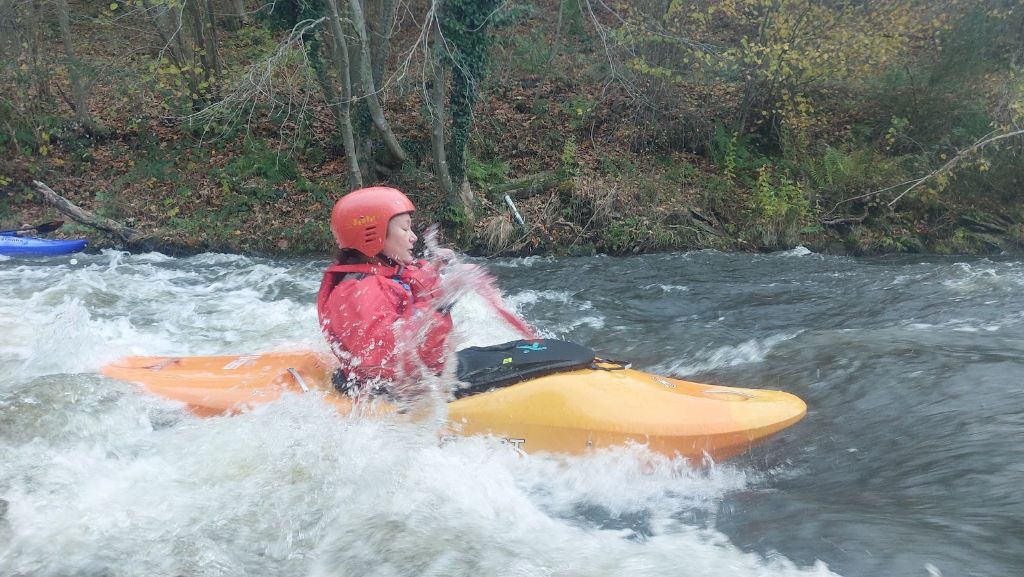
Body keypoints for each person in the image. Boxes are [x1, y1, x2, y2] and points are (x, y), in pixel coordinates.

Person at [316, 186, 453, 396]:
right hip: (389, 394)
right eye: (405, 229)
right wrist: (438, 310)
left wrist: (436, 270)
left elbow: (410, 288)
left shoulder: (384, 274)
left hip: (412, 383)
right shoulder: (358, 292)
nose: (413, 237)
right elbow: (388, 360)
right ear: (373, 236)